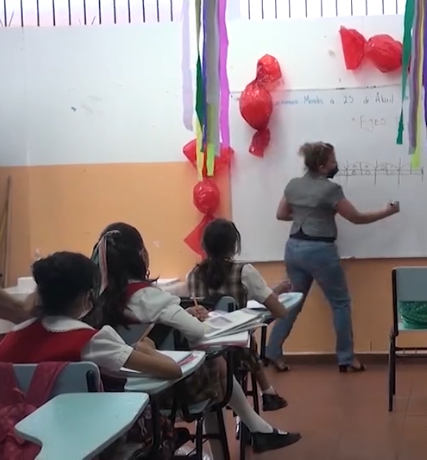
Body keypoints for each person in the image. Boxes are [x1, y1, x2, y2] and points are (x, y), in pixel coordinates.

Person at [91, 222, 301, 454]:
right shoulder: (152, 297)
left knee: (215, 365)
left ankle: (253, 428)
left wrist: (183, 314)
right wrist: (190, 319)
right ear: (141, 255)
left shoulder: (96, 301)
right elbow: (198, 333)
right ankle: (254, 429)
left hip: (114, 391)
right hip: (170, 392)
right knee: (216, 364)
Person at [0, 252, 182, 458]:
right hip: (93, 443)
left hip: (19, 444)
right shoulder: (90, 340)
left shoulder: (9, 340)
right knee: (160, 426)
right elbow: (172, 370)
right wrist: (148, 348)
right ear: (88, 297)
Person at [269, 141, 400, 373]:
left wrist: (305, 214)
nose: (335, 164)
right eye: (332, 161)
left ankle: (272, 352)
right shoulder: (330, 190)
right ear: (321, 166)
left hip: (294, 248)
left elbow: (281, 214)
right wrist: (387, 212)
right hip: (320, 251)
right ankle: (346, 358)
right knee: (340, 304)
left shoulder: (293, 185)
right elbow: (356, 218)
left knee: (292, 303)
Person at [186, 217, 291, 411]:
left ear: (204, 245)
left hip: (204, 350)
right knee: (248, 338)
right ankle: (267, 393)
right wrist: (278, 298)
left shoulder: (192, 274)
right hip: (237, 351)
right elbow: (277, 309)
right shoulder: (244, 271)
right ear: (234, 245)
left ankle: (264, 395)